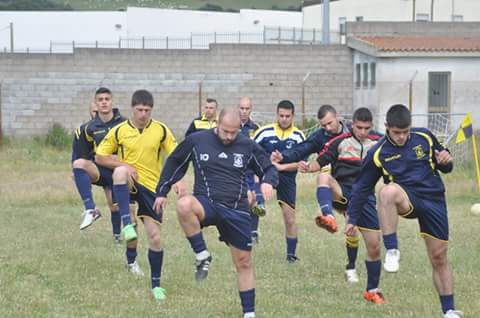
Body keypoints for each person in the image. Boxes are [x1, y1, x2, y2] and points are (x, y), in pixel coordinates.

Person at [155, 108, 278, 318]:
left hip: (236, 208)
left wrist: (268, 182)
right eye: (225, 131)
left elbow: (269, 168)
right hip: (206, 203)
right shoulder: (197, 141)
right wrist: (162, 191)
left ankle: (249, 313)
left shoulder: (247, 145)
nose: (230, 136)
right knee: (184, 205)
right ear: (216, 125)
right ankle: (202, 255)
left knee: (244, 262)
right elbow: (175, 162)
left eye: (234, 132)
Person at [344, 104, 463, 317]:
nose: (401, 137)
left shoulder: (424, 137)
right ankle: (392, 250)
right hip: (406, 198)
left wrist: (447, 161)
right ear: (387, 126)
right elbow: (362, 188)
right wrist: (352, 218)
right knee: (387, 192)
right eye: (397, 132)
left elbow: (444, 165)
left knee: (439, 257)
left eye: (405, 132)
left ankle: (449, 311)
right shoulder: (377, 152)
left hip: (434, 199)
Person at [95, 89, 185, 301]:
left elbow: (176, 157)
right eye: (139, 110)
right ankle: (126, 224)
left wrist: (178, 181)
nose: (143, 114)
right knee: (119, 172)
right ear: (132, 109)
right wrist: (124, 163)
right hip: (129, 181)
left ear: (151, 110)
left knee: (154, 237)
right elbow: (100, 156)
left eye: (147, 110)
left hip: (153, 189)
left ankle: (156, 286)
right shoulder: (120, 130)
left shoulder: (161, 130)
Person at [299, 107, 384, 302]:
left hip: (365, 198)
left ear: (371, 126)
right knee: (324, 177)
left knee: (373, 246)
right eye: (359, 127)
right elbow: (319, 162)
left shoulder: (379, 142)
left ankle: (371, 289)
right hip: (343, 192)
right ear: (352, 124)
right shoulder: (339, 141)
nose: (362, 132)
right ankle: (328, 216)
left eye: (366, 128)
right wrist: (307, 167)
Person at [271, 104, 350, 233]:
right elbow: (300, 149)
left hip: (356, 184)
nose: (328, 128)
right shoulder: (319, 137)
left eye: (330, 123)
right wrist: (283, 156)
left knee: (360, 235)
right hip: (335, 186)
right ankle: (329, 216)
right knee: (323, 177)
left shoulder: (353, 131)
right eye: (324, 125)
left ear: (338, 116)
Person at [253, 100, 305, 263]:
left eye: (287, 116)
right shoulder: (264, 132)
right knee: (251, 198)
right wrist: (268, 161)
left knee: (289, 218)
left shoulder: (299, 136)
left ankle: (291, 255)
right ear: (276, 115)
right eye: (281, 115)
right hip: (266, 173)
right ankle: (251, 233)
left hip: (287, 178)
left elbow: (302, 164)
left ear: (293, 116)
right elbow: (250, 153)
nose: (284, 119)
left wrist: (281, 167)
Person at [72, 87, 126, 243]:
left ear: (111, 102)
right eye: (100, 100)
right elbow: (83, 154)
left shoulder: (124, 123)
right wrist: (79, 170)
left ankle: (117, 237)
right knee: (79, 163)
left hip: (119, 170)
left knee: (115, 206)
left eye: (106, 99)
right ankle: (90, 209)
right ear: (95, 103)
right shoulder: (89, 128)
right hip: (100, 170)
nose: (103, 102)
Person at [238, 96, 265, 243]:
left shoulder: (255, 129)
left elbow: (260, 152)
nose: (244, 111)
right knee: (240, 201)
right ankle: (237, 230)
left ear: (251, 109)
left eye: (247, 108)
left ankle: (253, 231)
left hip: (250, 170)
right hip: (235, 170)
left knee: (253, 199)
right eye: (241, 108)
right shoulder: (232, 126)